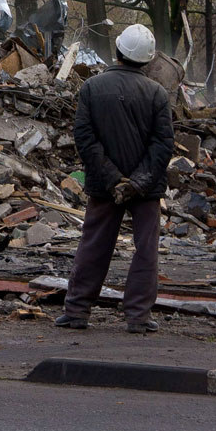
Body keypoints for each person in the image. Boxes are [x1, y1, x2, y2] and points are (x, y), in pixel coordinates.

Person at [53, 23, 174, 334]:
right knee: (145, 249)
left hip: (104, 187)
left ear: (118, 51)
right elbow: (162, 144)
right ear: (147, 60)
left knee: (94, 243)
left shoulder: (93, 88)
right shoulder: (157, 93)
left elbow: (84, 137)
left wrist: (112, 179)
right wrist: (138, 181)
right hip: (146, 189)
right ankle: (139, 317)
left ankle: (77, 311)